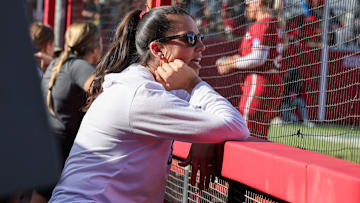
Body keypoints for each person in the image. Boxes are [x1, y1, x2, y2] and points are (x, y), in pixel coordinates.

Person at [49, 6, 249, 202]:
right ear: (157, 49)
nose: (201, 47)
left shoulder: (150, 86)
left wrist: (205, 136)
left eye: (200, 38)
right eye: (190, 39)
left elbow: (216, 117)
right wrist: (194, 84)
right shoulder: (140, 94)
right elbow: (235, 125)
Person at [33, 22, 102, 202]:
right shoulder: (79, 66)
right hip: (60, 145)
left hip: (48, 140)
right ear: (95, 47)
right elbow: (102, 93)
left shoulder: (59, 62)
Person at [216, 0, 284, 140]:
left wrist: (232, 63)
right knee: (260, 134)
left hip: (260, 81)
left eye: (248, 3)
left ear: (258, 2)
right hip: (272, 81)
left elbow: (259, 58)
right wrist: (234, 59)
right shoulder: (273, 22)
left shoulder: (262, 23)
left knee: (245, 131)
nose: (246, 7)